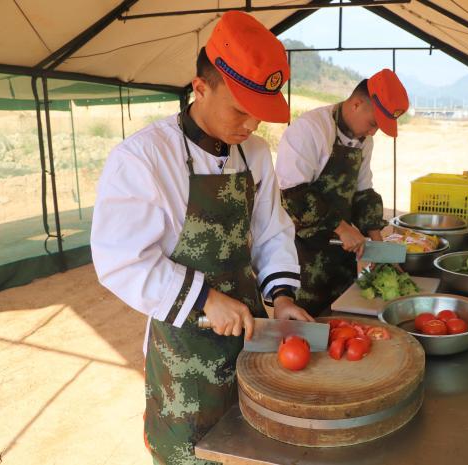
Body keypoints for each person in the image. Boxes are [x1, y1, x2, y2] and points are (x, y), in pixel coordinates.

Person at [90, 11, 312, 464]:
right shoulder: (144, 158)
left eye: (261, 115)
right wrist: (205, 298)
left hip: (249, 339)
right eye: (240, 109)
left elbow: (271, 229)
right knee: (191, 453)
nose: (251, 126)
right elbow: (121, 260)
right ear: (200, 88)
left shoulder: (255, 153)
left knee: (250, 446)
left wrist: (284, 298)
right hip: (183, 350)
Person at [275, 69, 409, 316]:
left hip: (342, 255)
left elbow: (363, 191)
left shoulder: (363, 140)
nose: (372, 133)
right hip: (302, 255)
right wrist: (341, 226)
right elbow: (293, 195)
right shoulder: (310, 130)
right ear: (357, 104)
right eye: (373, 124)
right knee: (305, 329)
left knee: (344, 318)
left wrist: (379, 246)